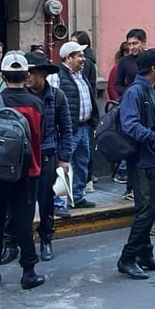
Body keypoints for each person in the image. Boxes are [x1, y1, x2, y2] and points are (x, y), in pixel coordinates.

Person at [0, 51, 46, 290]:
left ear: (2, 74)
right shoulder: (37, 103)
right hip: (27, 171)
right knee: (23, 221)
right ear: (26, 75)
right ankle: (28, 271)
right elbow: (38, 139)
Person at [116, 49, 155, 280]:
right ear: (154, 68)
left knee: (152, 207)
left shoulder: (153, 90)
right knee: (145, 210)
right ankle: (127, 258)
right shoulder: (135, 92)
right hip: (142, 161)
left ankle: (145, 254)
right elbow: (130, 126)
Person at [23, 52, 73, 261]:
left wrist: (64, 158)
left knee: (46, 202)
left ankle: (46, 239)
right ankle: (20, 241)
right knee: (23, 202)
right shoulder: (21, 95)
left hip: (47, 155)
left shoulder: (58, 96)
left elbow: (66, 129)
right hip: (24, 157)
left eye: (32, 72)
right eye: (25, 72)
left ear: (42, 73)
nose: (27, 76)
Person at [57, 42, 98, 208]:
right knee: (63, 164)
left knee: (82, 162)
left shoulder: (81, 75)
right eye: (79, 56)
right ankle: (58, 200)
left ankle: (77, 196)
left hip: (83, 126)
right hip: (68, 129)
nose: (83, 59)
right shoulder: (57, 76)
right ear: (68, 58)